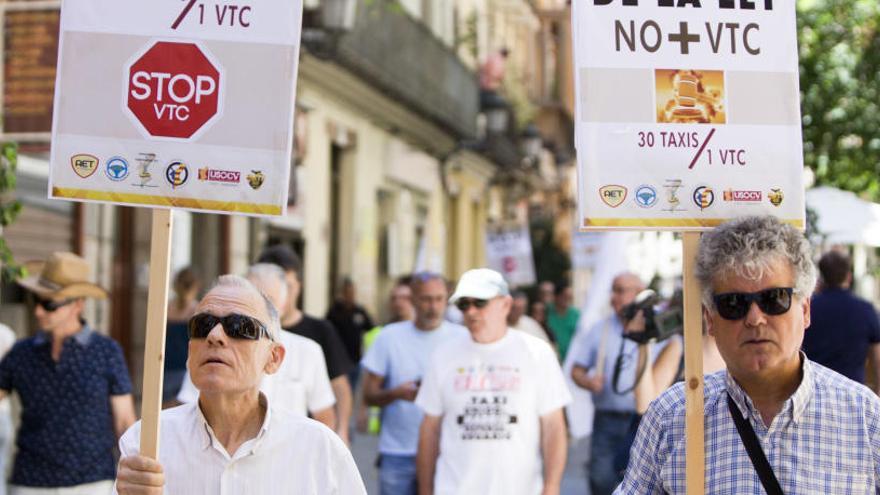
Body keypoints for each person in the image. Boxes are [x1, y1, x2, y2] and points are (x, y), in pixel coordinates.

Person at [618, 215, 880, 493]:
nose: (755, 319)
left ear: (804, 310)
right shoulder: (671, 417)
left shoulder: (865, 419)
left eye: (774, 299)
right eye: (733, 304)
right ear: (710, 320)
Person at [114, 275, 366, 494]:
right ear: (190, 351)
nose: (214, 336)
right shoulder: (147, 441)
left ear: (273, 358)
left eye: (239, 327)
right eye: (203, 325)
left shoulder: (318, 449)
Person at [416, 269, 571, 495]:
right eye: (463, 304)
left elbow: (554, 427)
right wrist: (425, 489)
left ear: (505, 305)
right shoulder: (443, 355)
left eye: (480, 302)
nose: (471, 311)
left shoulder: (537, 353)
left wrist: (551, 487)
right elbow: (429, 430)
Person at [1, 252, 136, 494]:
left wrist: (134, 479)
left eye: (49, 304)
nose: (38, 312)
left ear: (78, 304)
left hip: (93, 484)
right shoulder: (20, 353)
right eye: (36, 301)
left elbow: (125, 421)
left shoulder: (106, 352)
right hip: (29, 484)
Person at [176, 264, 336, 428]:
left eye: (268, 300)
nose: (215, 336)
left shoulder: (307, 351)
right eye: (204, 323)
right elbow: (186, 407)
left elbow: (324, 414)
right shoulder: (209, 351)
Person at [362, 272, 466, 495]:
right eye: (427, 299)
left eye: (439, 299)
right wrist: (397, 393)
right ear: (413, 299)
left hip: (447, 451)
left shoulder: (462, 338)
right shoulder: (389, 337)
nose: (434, 306)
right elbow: (369, 395)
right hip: (398, 452)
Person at [570, 272, 657, 495]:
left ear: (639, 294)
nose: (614, 297)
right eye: (613, 290)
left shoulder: (657, 327)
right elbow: (576, 370)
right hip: (607, 420)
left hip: (646, 420)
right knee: (601, 479)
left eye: (620, 290)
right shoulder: (599, 329)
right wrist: (588, 382)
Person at [257, 245, 354, 444]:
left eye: (287, 285)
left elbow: (340, 387)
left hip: (302, 443)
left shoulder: (319, 333)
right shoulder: (241, 337)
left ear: (298, 286)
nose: (280, 292)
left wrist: (341, 430)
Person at [802, 250, 880, 391]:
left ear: (822, 277)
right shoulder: (866, 310)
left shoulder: (808, 309)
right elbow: (877, 359)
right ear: (849, 277)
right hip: (855, 395)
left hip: (813, 393)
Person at [326, 277, 375, 390]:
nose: (350, 295)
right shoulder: (335, 312)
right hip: (340, 359)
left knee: (352, 390)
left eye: (352, 292)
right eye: (347, 292)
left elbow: (370, 327)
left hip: (356, 359)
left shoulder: (359, 311)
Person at [164, 267, 200, 405]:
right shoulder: (197, 310)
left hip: (167, 367)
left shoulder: (167, 308)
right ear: (195, 286)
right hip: (186, 369)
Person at [546, 284, 580, 359]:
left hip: (571, 358)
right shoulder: (546, 312)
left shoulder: (576, 314)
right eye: (565, 296)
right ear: (556, 296)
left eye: (569, 297)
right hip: (551, 357)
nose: (567, 300)